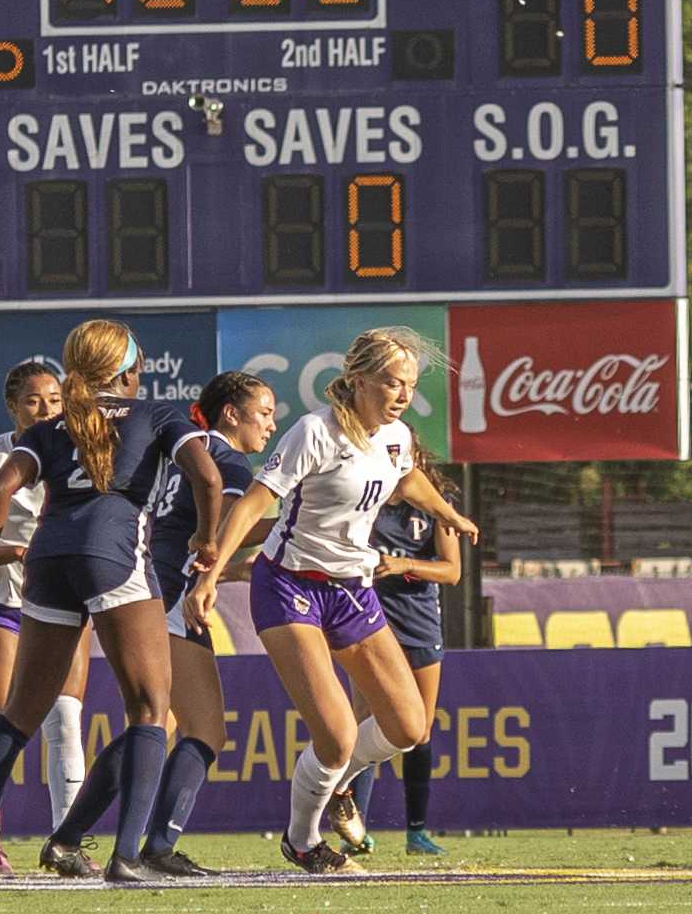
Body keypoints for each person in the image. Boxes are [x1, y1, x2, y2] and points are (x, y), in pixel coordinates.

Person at [0, 319, 223, 884]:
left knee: (19, 713)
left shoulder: (53, 426)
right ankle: (127, 856)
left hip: (46, 561)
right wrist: (207, 540)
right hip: (112, 554)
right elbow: (208, 480)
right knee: (148, 708)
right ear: (126, 372)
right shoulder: (157, 414)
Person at [183, 327, 480, 874]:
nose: (403, 395)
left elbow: (406, 477)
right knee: (338, 733)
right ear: (360, 379)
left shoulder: (396, 436)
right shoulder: (314, 432)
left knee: (410, 727)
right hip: (291, 584)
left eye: (411, 385)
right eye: (393, 383)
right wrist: (210, 577)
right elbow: (253, 505)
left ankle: (339, 786)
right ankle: (302, 841)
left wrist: (447, 513)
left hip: (351, 590)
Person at [132, 370, 277, 877]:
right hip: (174, 596)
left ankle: (77, 836)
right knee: (203, 729)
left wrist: (229, 569)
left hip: (148, 589)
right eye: (263, 413)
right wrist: (295, 519)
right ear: (230, 414)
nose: (272, 425)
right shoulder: (227, 461)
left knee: (154, 725)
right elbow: (228, 530)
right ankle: (156, 846)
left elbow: (201, 534)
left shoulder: (182, 452)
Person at [0, 360, 88, 876]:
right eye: (34, 400)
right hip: (3, 607)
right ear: (12, 406)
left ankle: (67, 843)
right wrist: (16, 551)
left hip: (65, 604)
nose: (46, 409)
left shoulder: (80, 455)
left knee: (66, 722)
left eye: (54, 400)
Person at [339, 440, 464, 857]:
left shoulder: (434, 504)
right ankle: (353, 825)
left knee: (419, 729)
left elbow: (452, 572)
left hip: (419, 622)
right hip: (370, 620)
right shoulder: (363, 494)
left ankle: (417, 832)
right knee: (370, 720)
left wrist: (405, 565)